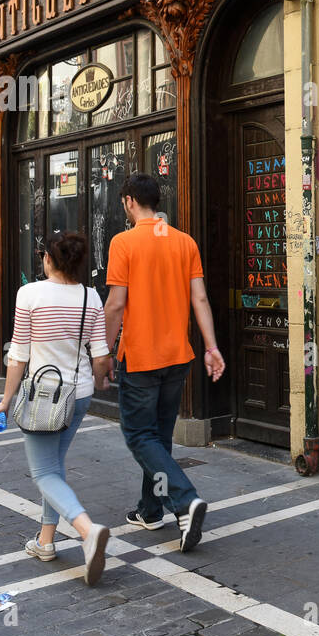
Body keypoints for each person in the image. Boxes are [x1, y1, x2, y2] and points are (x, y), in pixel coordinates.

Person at [104, 174, 225, 552]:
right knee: (157, 436)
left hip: (141, 357)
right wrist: (211, 347)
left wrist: (103, 352)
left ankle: (185, 500)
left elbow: (116, 304)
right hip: (178, 357)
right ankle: (151, 508)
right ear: (157, 201)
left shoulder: (123, 242)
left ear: (129, 201)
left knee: (139, 436)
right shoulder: (185, 242)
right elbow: (199, 299)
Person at [0, 231, 112, 586]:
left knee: (43, 472)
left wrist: (6, 400)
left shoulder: (30, 294)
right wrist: (101, 380)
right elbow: (100, 355)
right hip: (80, 395)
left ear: (48, 259)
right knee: (53, 466)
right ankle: (45, 541)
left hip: (44, 397)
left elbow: (18, 355)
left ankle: (88, 531)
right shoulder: (90, 296)